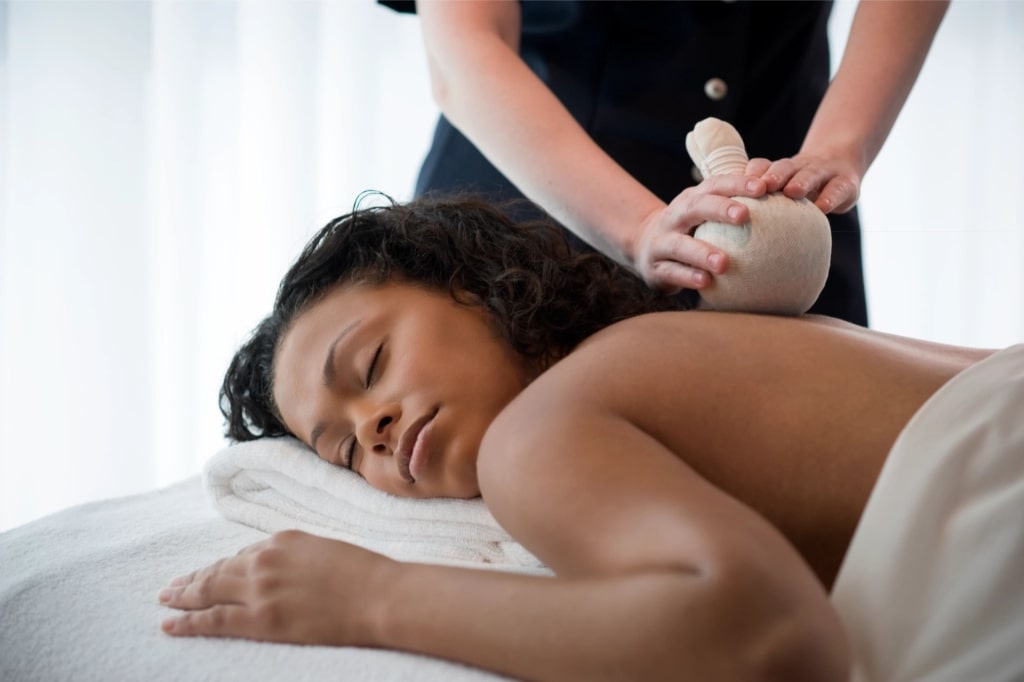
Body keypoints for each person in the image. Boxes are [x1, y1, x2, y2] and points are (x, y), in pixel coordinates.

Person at [158, 194, 999, 681]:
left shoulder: (539, 431)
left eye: (371, 363)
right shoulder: (658, 359)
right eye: (342, 452)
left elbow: (775, 640)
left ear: (472, 284)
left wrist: (368, 598)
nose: (371, 432)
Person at [379, 0, 949, 324]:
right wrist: (638, 229)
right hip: (530, 227)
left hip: (789, 215)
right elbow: (463, 48)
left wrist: (840, 145)